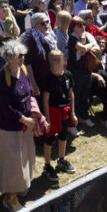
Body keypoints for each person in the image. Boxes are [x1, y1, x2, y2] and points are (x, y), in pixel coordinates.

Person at [0, 39, 35, 212]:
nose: (22, 59)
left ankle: (21, 186)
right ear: (9, 58)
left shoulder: (23, 70)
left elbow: (30, 91)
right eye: (19, 56)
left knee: (25, 158)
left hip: (25, 126)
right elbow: (5, 105)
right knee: (12, 163)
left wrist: (34, 113)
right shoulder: (4, 77)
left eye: (23, 55)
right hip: (10, 127)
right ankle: (10, 197)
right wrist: (23, 118)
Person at [40, 50, 76, 180]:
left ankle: (61, 160)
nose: (64, 63)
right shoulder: (48, 78)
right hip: (53, 111)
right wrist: (47, 119)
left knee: (63, 135)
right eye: (61, 61)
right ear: (54, 63)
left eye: (64, 60)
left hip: (65, 111)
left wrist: (73, 112)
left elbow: (71, 94)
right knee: (49, 139)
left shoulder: (68, 75)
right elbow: (45, 99)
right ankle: (47, 165)